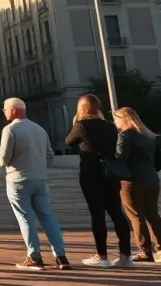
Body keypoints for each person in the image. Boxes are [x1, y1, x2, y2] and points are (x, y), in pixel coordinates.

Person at [0, 98, 70, 270]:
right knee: (47, 216)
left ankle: (34, 256)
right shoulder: (39, 129)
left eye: (5, 109)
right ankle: (61, 256)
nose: (4, 112)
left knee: (25, 218)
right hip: (40, 179)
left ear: (14, 110)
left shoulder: (10, 130)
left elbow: (3, 159)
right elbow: (50, 155)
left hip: (18, 179)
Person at [64, 94, 133, 268]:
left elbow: (68, 142)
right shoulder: (110, 126)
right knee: (117, 212)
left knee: (97, 214)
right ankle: (125, 255)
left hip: (91, 172)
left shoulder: (80, 125)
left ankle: (102, 256)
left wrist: (75, 123)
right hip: (110, 173)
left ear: (82, 108)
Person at [113, 107, 161, 263]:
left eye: (116, 119)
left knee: (135, 216)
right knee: (152, 214)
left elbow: (121, 158)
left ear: (123, 119)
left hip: (132, 180)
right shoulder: (148, 136)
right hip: (152, 178)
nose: (115, 122)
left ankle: (145, 251)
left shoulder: (125, 135)